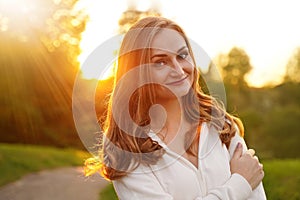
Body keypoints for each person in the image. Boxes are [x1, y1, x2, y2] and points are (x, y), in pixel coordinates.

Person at [84, 16, 267, 199]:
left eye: (182, 55)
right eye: (160, 62)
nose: (179, 70)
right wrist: (240, 184)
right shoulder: (126, 147)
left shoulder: (220, 124)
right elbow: (247, 181)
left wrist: (245, 181)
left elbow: (256, 195)